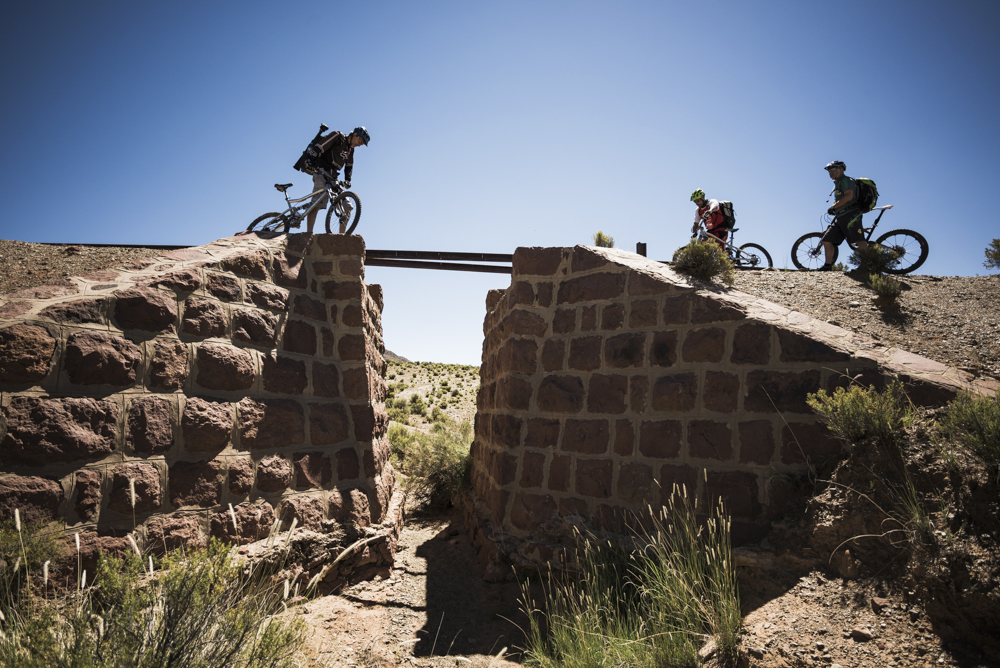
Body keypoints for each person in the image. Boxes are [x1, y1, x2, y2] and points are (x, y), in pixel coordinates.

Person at [305, 126, 370, 234]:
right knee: (316, 203)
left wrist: (348, 180)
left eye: (362, 143)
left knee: (347, 207)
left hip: (333, 178)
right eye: (360, 140)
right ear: (354, 135)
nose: (360, 144)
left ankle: (341, 237)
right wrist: (309, 160)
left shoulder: (350, 150)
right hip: (322, 171)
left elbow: (349, 166)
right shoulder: (338, 136)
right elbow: (320, 147)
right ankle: (308, 234)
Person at [819, 160, 868, 271]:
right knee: (827, 240)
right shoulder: (838, 183)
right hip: (840, 216)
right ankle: (827, 266)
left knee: (859, 241)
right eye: (829, 171)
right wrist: (835, 209)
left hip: (850, 213)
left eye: (833, 170)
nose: (830, 172)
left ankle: (866, 266)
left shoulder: (846, 180)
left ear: (841, 170)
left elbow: (848, 196)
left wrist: (833, 207)